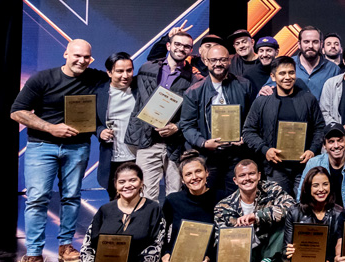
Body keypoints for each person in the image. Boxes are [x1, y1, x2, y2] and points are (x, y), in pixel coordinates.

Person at [12, 38, 106, 262]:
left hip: (78, 147)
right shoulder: (43, 79)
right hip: (42, 147)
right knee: (37, 199)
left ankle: (66, 246)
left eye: (86, 57)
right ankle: (34, 251)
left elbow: (126, 74)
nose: (81, 61)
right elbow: (17, 112)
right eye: (77, 56)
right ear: (66, 54)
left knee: (72, 197)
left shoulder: (95, 78)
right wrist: (50, 128)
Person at [127, 29, 197, 202]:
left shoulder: (194, 80)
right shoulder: (147, 69)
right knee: (146, 195)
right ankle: (151, 229)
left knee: (175, 194)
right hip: (148, 140)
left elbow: (196, 113)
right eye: (177, 44)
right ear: (168, 45)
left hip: (177, 144)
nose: (181, 49)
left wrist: (177, 126)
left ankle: (171, 229)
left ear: (191, 51)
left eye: (186, 47)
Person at [242, 55, 326, 196]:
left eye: (291, 72)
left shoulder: (308, 99)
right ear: (273, 77)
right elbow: (248, 131)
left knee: (304, 206)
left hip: (304, 166)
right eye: (282, 73)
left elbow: (320, 128)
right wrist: (265, 150)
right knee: (280, 209)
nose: (287, 77)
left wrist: (312, 149)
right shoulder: (262, 102)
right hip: (275, 169)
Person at [178, 43, 253, 194]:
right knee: (207, 198)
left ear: (229, 61)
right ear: (206, 61)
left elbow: (253, 119)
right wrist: (204, 143)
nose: (218, 64)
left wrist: (246, 137)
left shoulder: (244, 85)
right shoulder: (194, 91)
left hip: (236, 154)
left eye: (223, 60)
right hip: (207, 157)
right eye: (214, 60)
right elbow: (186, 125)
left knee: (237, 198)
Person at [96, 52, 137, 199]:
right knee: (115, 200)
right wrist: (100, 131)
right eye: (120, 71)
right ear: (109, 72)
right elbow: (93, 120)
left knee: (139, 199)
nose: (125, 75)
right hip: (112, 156)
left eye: (129, 70)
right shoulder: (99, 93)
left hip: (138, 155)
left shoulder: (139, 89)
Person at [297, 123, 345, 206]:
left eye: (340, 140)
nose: (336, 146)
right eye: (331, 142)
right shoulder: (313, 163)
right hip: (321, 214)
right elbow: (301, 196)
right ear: (324, 146)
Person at [292, 26, 343, 98]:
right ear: (299, 44)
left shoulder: (333, 69)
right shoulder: (287, 65)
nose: (310, 46)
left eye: (315, 42)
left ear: (321, 44)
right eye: (306, 42)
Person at [242, 36, 280, 101]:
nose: (264, 54)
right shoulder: (248, 74)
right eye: (261, 51)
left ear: (276, 52)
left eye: (269, 50)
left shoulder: (283, 72)